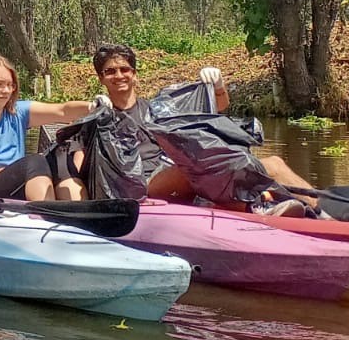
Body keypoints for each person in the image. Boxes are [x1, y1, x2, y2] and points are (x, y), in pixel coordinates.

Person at [90, 45, 311, 215]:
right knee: (194, 168)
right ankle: (255, 207)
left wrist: (218, 86)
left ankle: (324, 213)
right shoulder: (99, 114)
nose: (118, 75)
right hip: (144, 184)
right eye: (110, 72)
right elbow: (77, 148)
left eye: (124, 69)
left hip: (173, 169)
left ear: (134, 74)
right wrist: (97, 117)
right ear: (101, 78)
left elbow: (218, 107)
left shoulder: (156, 109)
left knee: (272, 163)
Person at [0, 53, 92, 201]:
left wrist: (94, 106)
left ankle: (77, 214)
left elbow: (63, 110)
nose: (6, 91)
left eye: (10, 85)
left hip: (15, 187)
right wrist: (20, 171)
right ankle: (45, 216)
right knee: (34, 162)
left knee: (59, 157)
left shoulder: (18, 112)